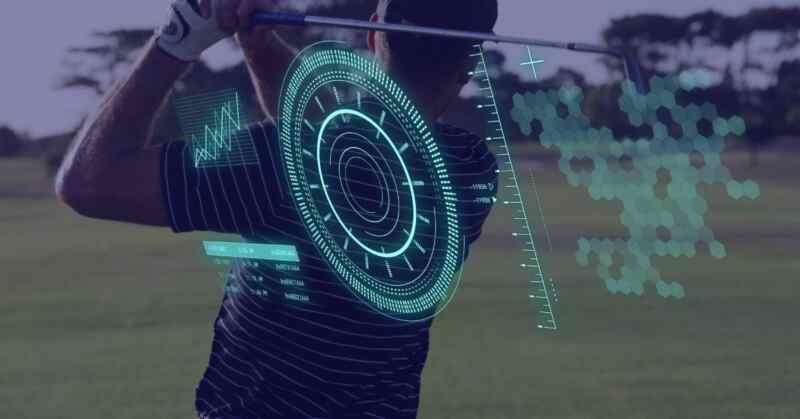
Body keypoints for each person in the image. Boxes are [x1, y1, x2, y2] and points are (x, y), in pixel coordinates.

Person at [56, 0, 498, 417]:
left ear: (372, 38)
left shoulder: (279, 162)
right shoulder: (472, 170)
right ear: (470, 64)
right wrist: (259, 45)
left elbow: (89, 182)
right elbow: (326, 128)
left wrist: (179, 36)